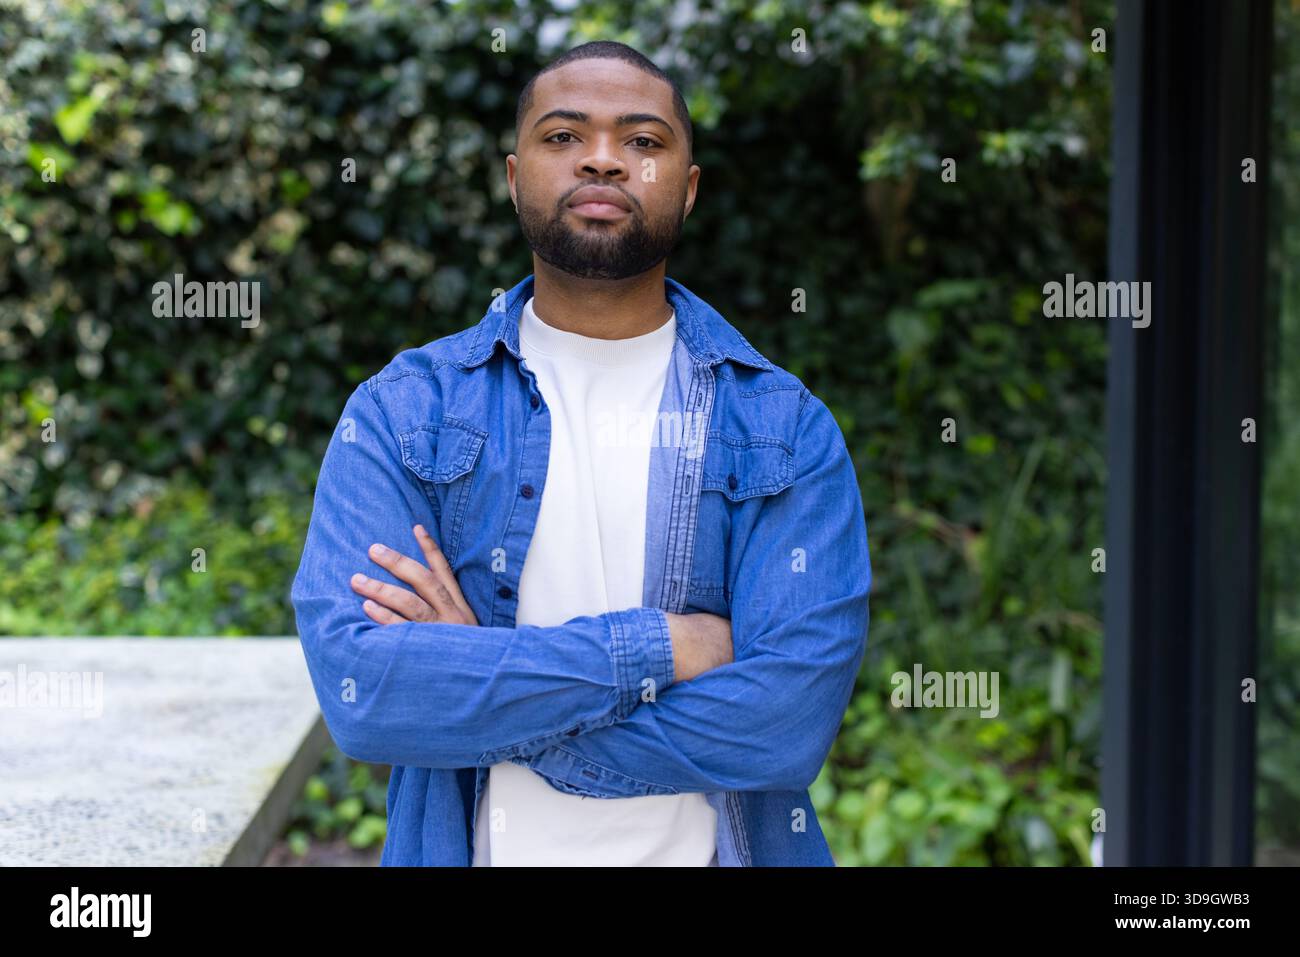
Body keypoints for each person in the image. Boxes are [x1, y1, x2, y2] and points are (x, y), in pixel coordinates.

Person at [290, 40, 872, 866]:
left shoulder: (783, 428)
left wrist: (481, 686)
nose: (602, 159)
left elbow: (783, 724)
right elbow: (369, 696)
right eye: (564, 136)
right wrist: (664, 646)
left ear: (689, 187)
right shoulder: (404, 411)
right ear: (514, 173)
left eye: (643, 141)